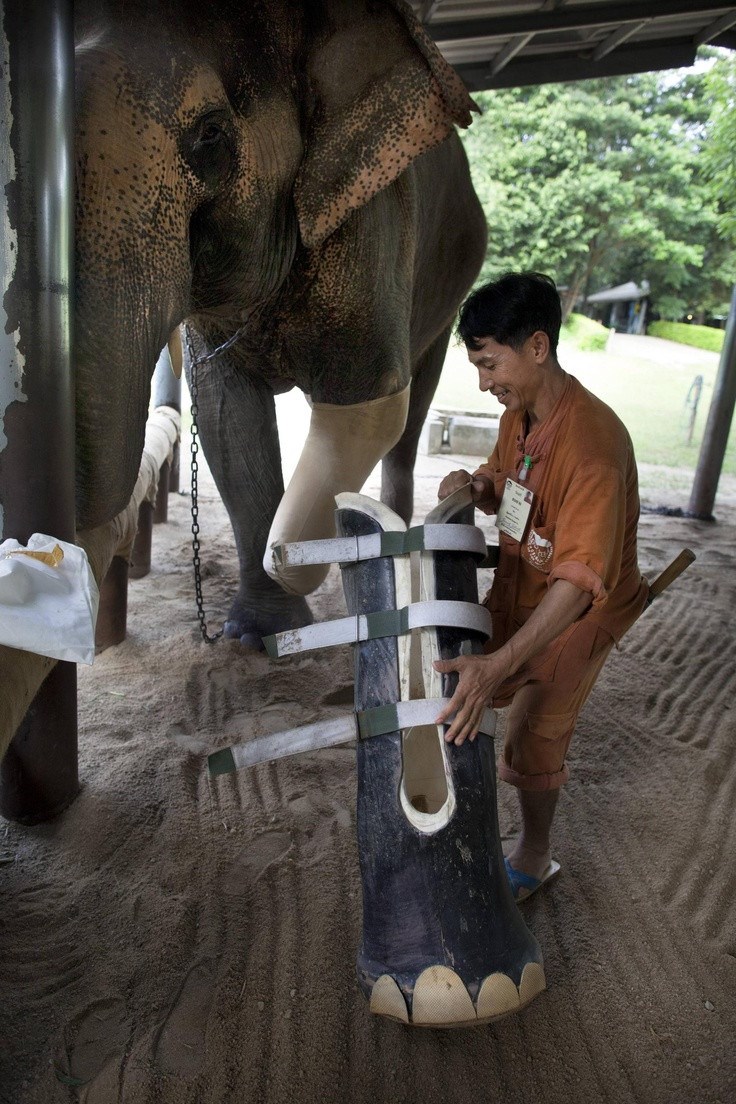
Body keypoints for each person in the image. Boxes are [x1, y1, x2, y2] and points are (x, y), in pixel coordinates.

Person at [433, 272, 648, 902]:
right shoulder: (520, 415)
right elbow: (507, 482)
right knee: (474, 676)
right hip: (528, 582)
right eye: (475, 365)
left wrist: (503, 661)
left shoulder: (594, 447)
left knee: (532, 724)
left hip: (586, 606)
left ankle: (534, 853)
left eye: (489, 363)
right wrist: (474, 488)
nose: (483, 382)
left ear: (537, 346)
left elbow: (580, 585)